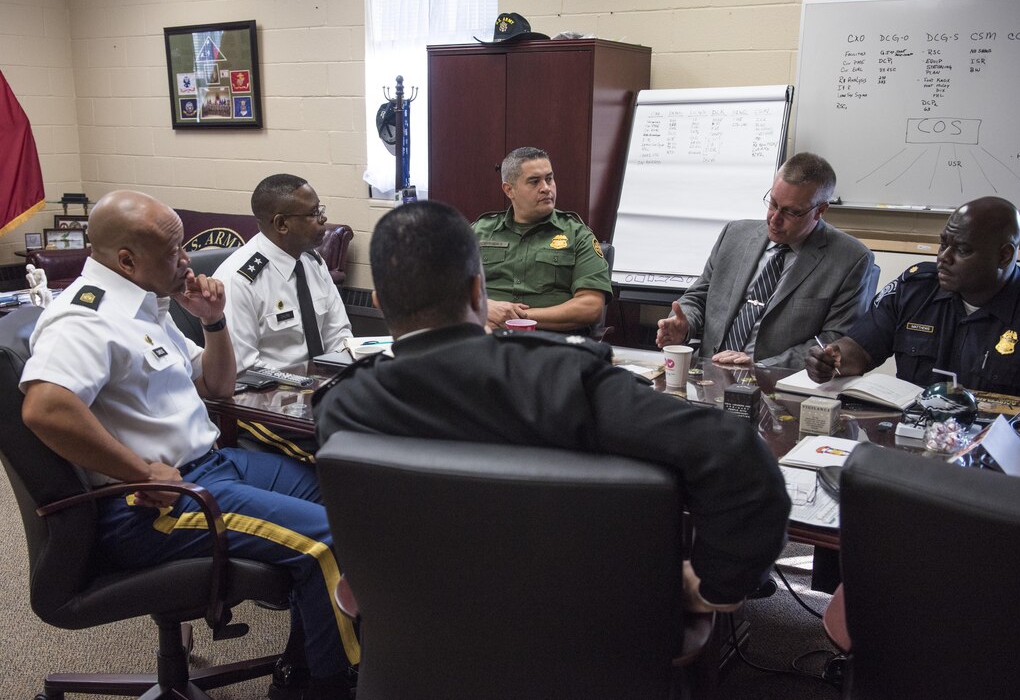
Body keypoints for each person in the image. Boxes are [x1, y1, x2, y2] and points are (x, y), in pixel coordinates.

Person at [313, 200, 790, 611]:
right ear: (479, 291)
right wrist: (716, 585)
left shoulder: (342, 407)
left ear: (377, 301)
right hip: (589, 635)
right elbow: (736, 454)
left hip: (415, 641)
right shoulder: (563, 380)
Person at [19, 190, 359, 700]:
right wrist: (138, 470)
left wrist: (213, 319)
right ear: (127, 260)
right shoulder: (84, 318)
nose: (187, 260)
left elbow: (217, 385)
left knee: (351, 504)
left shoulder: (145, 306)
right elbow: (45, 408)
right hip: (154, 504)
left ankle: (303, 662)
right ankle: (329, 688)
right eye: (175, 251)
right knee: (328, 543)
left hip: (214, 465)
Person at [806, 196, 1020, 400]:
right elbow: (861, 349)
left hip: (988, 461)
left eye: (962, 249)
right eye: (944, 243)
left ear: (1004, 255)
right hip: (907, 438)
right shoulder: (915, 288)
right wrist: (833, 359)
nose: (943, 257)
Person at [656, 152, 877, 368]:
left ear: (820, 210)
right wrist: (685, 325)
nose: (774, 219)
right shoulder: (734, 235)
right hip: (707, 373)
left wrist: (760, 366)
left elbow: (835, 341)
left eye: (791, 212)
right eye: (772, 203)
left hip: (775, 385)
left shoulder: (851, 260)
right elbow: (699, 296)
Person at [215, 174, 351, 461]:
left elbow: (339, 335)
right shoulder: (239, 280)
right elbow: (244, 370)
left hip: (318, 395)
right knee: (347, 455)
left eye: (321, 210)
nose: (323, 219)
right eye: (314, 213)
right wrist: (307, 389)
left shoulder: (313, 261)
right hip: (264, 405)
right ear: (281, 224)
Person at [472, 147, 612, 333]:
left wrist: (516, 319)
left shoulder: (577, 234)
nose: (546, 188)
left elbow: (591, 307)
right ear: (509, 190)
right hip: (485, 339)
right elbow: (446, 290)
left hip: (550, 342)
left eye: (549, 179)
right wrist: (486, 307)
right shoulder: (479, 231)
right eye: (534, 181)